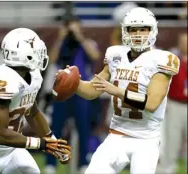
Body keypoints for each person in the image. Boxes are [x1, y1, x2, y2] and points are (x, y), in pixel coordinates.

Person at [58, 7, 180, 173]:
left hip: (146, 139)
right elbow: (92, 90)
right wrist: (73, 82)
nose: (138, 34)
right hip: (117, 135)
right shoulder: (116, 55)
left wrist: (115, 90)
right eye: (133, 29)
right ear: (125, 31)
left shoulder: (161, 59)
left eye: (143, 29)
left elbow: (151, 103)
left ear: (152, 31)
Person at [0, 28, 72, 174]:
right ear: (23, 54)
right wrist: (41, 144)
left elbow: (32, 112)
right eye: (35, 48)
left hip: (12, 150)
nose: (40, 52)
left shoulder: (33, 75)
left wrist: (53, 141)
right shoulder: (1, 79)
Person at [44, 15, 100, 174]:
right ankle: (50, 165)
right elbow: (52, 59)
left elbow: (95, 55)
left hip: (81, 91)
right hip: (62, 91)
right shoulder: (61, 45)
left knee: (84, 129)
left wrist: (79, 36)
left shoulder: (86, 42)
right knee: (56, 129)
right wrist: (61, 38)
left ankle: (82, 164)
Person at [158, 32, 187, 174]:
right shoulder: (173, 61)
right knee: (172, 137)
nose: (185, 44)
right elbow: (164, 82)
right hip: (176, 103)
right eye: (183, 41)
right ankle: (168, 167)